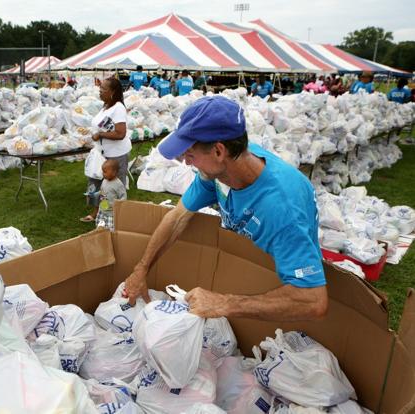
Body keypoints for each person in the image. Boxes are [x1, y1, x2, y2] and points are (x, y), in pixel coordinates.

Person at [123, 96, 328, 321]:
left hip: (273, 284)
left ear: (219, 151)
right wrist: (141, 269)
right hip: (244, 272)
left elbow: (312, 300)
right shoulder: (219, 171)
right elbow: (178, 217)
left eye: (190, 155)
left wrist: (224, 303)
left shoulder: (281, 209)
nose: (186, 163)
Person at [80, 77, 130, 222]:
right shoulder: (106, 106)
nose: (100, 91)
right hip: (102, 154)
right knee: (100, 186)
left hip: (116, 156)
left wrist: (100, 135)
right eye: (100, 88)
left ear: (113, 92)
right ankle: (98, 213)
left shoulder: (118, 108)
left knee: (114, 188)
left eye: (103, 89)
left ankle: (117, 217)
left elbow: (120, 133)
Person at [94, 159, 127, 231]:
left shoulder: (118, 184)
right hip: (102, 209)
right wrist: (96, 194)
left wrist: (118, 205)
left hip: (111, 212)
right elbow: (103, 191)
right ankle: (101, 234)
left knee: (110, 230)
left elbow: (123, 196)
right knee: (99, 226)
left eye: (105, 172)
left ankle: (109, 236)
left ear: (114, 172)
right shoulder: (104, 180)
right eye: (103, 171)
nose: (103, 173)